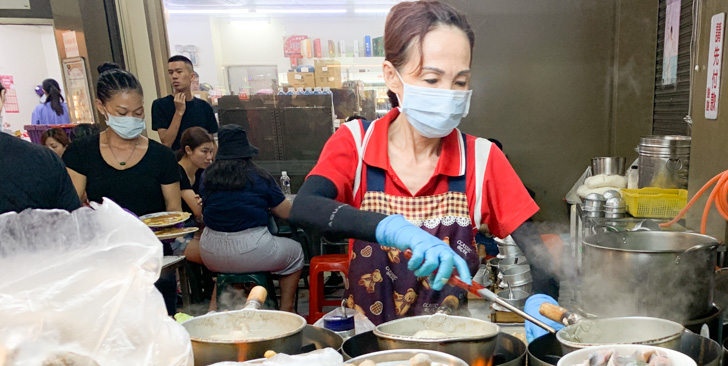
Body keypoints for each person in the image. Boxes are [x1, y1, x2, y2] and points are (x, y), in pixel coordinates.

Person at [290, 0, 557, 324]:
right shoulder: (356, 144)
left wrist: (542, 305)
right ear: (391, 76)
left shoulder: (482, 159)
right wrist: (389, 227)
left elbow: (540, 257)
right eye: (432, 79)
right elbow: (305, 207)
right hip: (369, 355)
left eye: (459, 82)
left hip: (451, 352)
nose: (448, 93)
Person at [62, 66, 182, 312]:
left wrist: (161, 233)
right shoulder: (81, 153)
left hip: (153, 259)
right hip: (103, 261)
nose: (132, 119)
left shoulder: (161, 156)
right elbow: (71, 210)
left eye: (138, 112)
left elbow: (173, 210)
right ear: (101, 107)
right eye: (122, 112)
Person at [198, 124, 302, 313]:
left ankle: (214, 313)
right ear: (247, 153)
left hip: (211, 252)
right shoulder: (259, 176)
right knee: (296, 253)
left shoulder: (206, 177)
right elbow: (286, 212)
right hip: (253, 249)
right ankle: (287, 309)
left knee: (229, 270)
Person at [0, 79, 80, 214]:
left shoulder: (39, 110)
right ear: (2, 96)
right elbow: (74, 222)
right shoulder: (42, 161)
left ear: (43, 91)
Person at [152, 55, 218, 151]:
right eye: (171, 73)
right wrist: (178, 112)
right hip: (175, 163)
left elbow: (211, 143)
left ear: (191, 76)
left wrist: (216, 165)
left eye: (179, 72)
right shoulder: (160, 105)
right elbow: (166, 143)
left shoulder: (204, 107)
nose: (174, 76)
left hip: (201, 163)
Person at [176, 126, 214, 219]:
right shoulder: (177, 171)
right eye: (204, 151)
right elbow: (198, 211)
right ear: (188, 150)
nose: (209, 157)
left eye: (211, 152)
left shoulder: (202, 170)